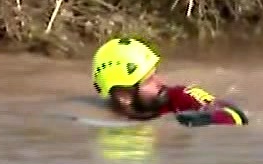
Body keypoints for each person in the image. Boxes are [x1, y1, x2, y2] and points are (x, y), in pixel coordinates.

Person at [91, 36, 247, 127]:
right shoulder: (104, 114)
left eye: (155, 74)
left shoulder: (180, 97)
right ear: (123, 97)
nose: (161, 82)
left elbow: (235, 115)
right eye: (149, 80)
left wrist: (204, 119)